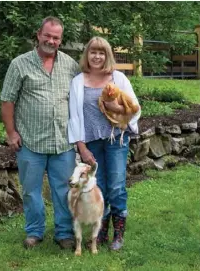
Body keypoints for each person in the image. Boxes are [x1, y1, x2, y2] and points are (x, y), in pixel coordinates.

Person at [0, 16, 79, 250]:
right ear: (38, 35)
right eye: (48, 35)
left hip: (62, 142)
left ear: (60, 40)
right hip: (30, 142)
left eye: (56, 37)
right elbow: (7, 100)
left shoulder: (70, 65)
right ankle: (34, 232)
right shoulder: (19, 64)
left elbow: (79, 98)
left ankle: (64, 233)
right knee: (31, 191)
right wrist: (11, 132)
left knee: (63, 189)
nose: (51, 41)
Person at [68, 37, 141, 251]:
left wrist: (116, 110)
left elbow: (134, 107)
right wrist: (81, 147)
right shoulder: (78, 81)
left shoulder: (118, 79)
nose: (97, 56)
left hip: (116, 140)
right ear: (87, 55)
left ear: (107, 55)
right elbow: (74, 117)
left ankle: (118, 235)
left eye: (101, 53)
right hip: (91, 143)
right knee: (98, 186)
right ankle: (100, 233)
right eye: (93, 52)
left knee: (116, 186)